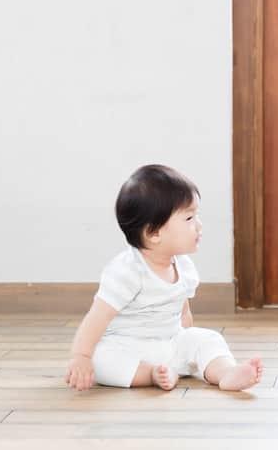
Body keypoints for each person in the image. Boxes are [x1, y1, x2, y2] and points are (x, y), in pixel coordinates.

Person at [65, 164, 263, 392]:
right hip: (127, 347)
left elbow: (183, 310)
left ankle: (226, 372)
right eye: (189, 218)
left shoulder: (184, 266)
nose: (199, 225)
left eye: (196, 216)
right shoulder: (127, 270)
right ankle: (150, 374)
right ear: (154, 233)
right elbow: (97, 317)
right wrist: (81, 356)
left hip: (170, 342)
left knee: (208, 339)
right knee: (102, 360)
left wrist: (188, 342)